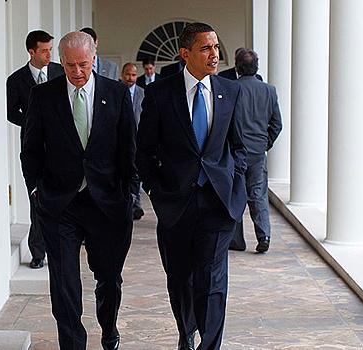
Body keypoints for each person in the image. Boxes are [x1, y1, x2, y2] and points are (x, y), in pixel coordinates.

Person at [20, 31, 136, 350]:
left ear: (94, 59)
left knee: (109, 279)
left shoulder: (116, 94)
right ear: (61, 61)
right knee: (65, 283)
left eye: (83, 64)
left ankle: (109, 326)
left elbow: (129, 149)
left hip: (107, 204)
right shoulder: (43, 96)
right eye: (70, 65)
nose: (77, 72)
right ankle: (73, 344)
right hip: (60, 205)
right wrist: (35, 192)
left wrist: (129, 194)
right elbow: (30, 150)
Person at [137, 22, 247, 350]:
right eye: (206, 48)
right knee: (180, 278)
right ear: (186, 54)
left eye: (216, 48)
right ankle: (186, 336)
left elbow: (239, 147)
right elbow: (144, 150)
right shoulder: (159, 94)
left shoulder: (231, 91)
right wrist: (156, 190)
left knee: (212, 280)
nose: (215, 55)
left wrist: (234, 182)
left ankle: (209, 345)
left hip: (218, 203)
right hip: (175, 204)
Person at [6, 30, 64, 269]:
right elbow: (11, 112)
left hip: (62, 147)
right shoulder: (16, 80)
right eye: (44, 50)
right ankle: (38, 252)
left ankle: (62, 248)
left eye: (51, 49)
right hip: (33, 148)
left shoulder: (61, 72)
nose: (49, 54)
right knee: (36, 198)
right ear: (31, 52)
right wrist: (32, 124)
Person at [225, 49, 282, 253]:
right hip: (258, 152)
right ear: (256, 66)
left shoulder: (231, 88)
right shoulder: (269, 90)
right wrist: (265, 143)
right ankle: (263, 234)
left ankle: (236, 239)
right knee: (258, 194)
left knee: (235, 193)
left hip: (234, 151)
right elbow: (277, 124)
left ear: (237, 67)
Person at [121, 62, 146, 220]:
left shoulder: (142, 93)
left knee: (136, 173)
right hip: (121, 139)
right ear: (122, 74)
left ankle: (135, 203)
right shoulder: (115, 90)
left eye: (134, 75)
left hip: (137, 140)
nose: (130, 78)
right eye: (128, 74)